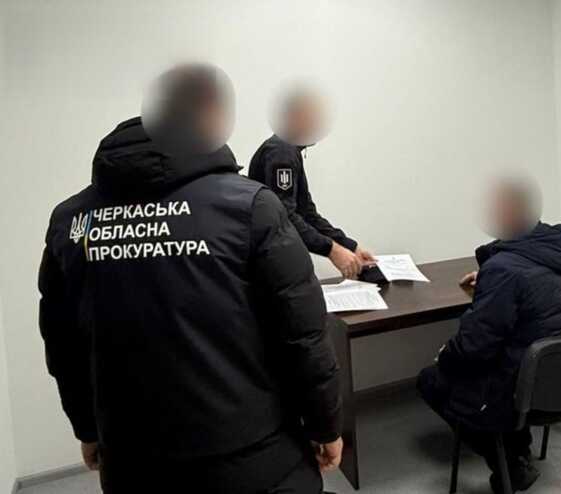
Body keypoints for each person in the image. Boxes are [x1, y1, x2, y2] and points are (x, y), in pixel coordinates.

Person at [38, 64, 343, 494]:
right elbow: (302, 333)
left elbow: (63, 343)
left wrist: (87, 427)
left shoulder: (71, 222)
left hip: (132, 460)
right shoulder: (249, 207)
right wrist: (325, 424)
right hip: (254, 459)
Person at [417, 175, 561, 494]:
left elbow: (473, 347)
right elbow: (533, 292)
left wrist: (445, 356)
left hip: (525, 392)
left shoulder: (505, 269)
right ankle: (519, 449)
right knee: (504, 359)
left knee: (431, 379)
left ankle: (508, 463)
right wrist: (489, 281)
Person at [248, 84, 374, 279]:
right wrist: (332, 250)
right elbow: (284, 216)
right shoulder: (282, 151)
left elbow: (306, 212)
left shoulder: (288, 149)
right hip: (270, 265)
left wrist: (350, 246)